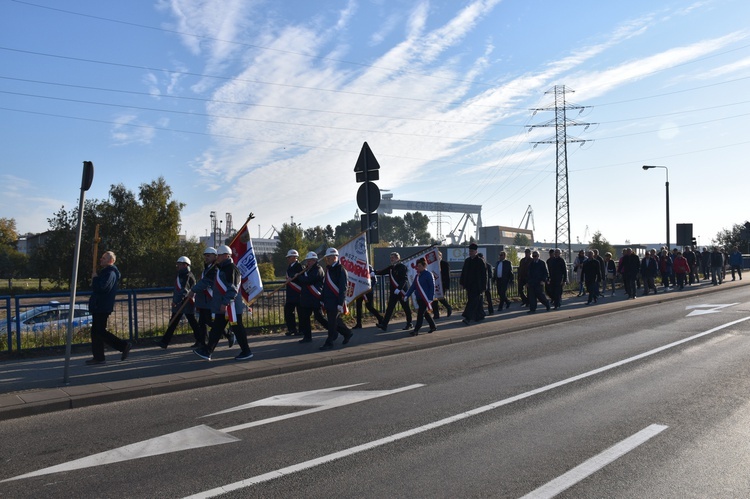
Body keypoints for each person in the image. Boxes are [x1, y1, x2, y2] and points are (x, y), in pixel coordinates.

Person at [192, 245, 253, 361]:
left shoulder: (231, 269)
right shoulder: (222, 269)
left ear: (226, 255)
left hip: (231, 306)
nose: (218, 257)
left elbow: (233, 288)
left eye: (219, 255)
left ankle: (246, 351)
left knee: (237, 328)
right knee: (216, 329)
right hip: (225, 306)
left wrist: (225, 302)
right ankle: (207, 351)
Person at [86, 251, 131, 365]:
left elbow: (102, 288)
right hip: (100, 305)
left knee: (99, 331)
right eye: (101, 257)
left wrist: (95, 279)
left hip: (101, 306)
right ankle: (99, 357)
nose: (101, 259)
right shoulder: (107, 272)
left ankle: (123, 346)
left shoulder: (110, 272)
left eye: (104, 258)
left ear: (111, 261)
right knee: (96, 332)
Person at [156, 256, 201, 348]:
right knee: (173, 322)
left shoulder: (188, 276)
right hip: (180, 303)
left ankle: (201, 340)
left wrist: (176, 301)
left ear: (185, 265)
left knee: (192, 323)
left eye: (180, 265)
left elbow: (184, 291)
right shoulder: (181, 275)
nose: (178, 266)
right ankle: (164, 342)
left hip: (185, 303)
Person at [319, 247, 352, 350]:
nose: (327, 260)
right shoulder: (329, 269)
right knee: (335, 321)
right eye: (327, 258)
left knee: (332, 323)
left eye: (328, 258)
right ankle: (347, 333)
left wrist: (340, 303)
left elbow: (343, 288)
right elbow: (325, 286)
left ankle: (329, 342)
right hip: (328, 300)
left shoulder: (341, 270)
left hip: (336, 301)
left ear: (334, 258)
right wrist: (322, 298)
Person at [295, 251, 329, 344]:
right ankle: (307, 337)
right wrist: (299, 275)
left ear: (315, 261)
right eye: (307, 261)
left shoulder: (318, 269)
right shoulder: (307, 269)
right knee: (305, 317)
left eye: (310, 261)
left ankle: (332, 330)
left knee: (319, 317)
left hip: (315, 297)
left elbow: (309, 280)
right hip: (307, 298)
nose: (308, 262)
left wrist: (299, 277)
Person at [376, 252, 413, 332]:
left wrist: (399, 288)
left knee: (406, 307)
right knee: (390, 308)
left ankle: (409, 323)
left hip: (402, 291)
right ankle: (384, 325)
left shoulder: (402, 267)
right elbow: (381, 272)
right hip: (394, 292)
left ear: (397, 258)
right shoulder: (391, 268)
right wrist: (373, 272)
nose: (391, 259)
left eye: (393, 258)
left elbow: (404, 279)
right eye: (391, 258)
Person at [403, 257, 437, 336]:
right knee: (425, 313)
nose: (418, 267)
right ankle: (433, 326)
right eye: (418, 266)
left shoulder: (428, 274)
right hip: (419, 297)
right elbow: (413, 286)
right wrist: (407, 295)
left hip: (425, 298)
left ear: (424, 266)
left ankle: (416, 330)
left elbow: (432, 286)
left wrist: (430, 298)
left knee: (420, 314)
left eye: (420, 266)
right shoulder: (417, 276)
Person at [460, 243, 487, 325]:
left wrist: (483, 286)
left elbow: (484, 275)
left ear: (476, 251)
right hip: (469, 285)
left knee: (472, 302)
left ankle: (468, 317)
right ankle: (480, 315)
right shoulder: (467, 261)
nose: (470, 252)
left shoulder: (480, 261)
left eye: (472, 251)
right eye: (470, 251)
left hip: (477, 286)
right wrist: (461, 283)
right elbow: (463, 272)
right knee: (476, 301)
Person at [354, 264, 384, 329]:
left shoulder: (369, 267)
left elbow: (374, 280)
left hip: (368, 291)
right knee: (358, 306)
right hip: (359, 290)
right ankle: (359, 323)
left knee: (369, 306)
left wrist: (369, 287)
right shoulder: (356, 265)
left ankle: (380, 317)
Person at [283, 249, 304, 336]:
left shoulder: (299, 266)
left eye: (289, 257)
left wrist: (294, 276)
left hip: (298, 293)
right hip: (290, 294)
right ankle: (292, 329)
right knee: (288, 311)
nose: (288, 259)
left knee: (301, 313)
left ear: (294, 257)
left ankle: (302, 330)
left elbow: (301, 278)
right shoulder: (289, 266)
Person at [433, 251, 453, 319]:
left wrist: (447, 285)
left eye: (438, 256)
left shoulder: (444, 263)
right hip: (435, 284)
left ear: (441, 256)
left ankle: (448, 307)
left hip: (442, 284)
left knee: (440, 297)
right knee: (434, 299)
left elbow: (447, 275)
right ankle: (436, 314)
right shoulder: (434, 264)